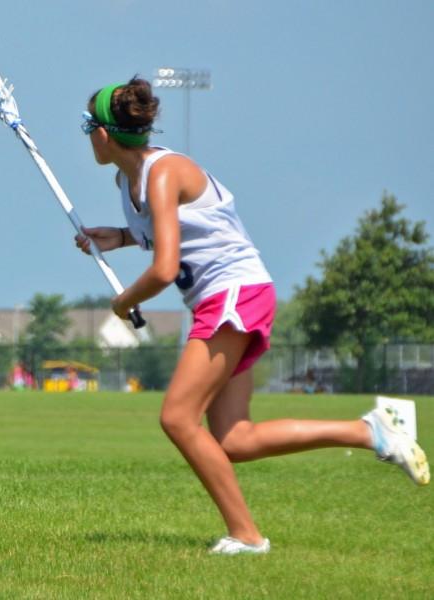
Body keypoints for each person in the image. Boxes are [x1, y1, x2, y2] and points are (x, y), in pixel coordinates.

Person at [74, 78, 429, 554]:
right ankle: (372, 430)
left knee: (178, 418)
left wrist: (122, 303)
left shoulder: (163, 172)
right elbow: (175, 235)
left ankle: (247, 536)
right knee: (235, 438)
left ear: (104, 134)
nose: (87, 137)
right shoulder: (128, 181)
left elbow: (163, 269)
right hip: (226, 298)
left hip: (233, 295)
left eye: (87, 127)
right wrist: (120, 236)